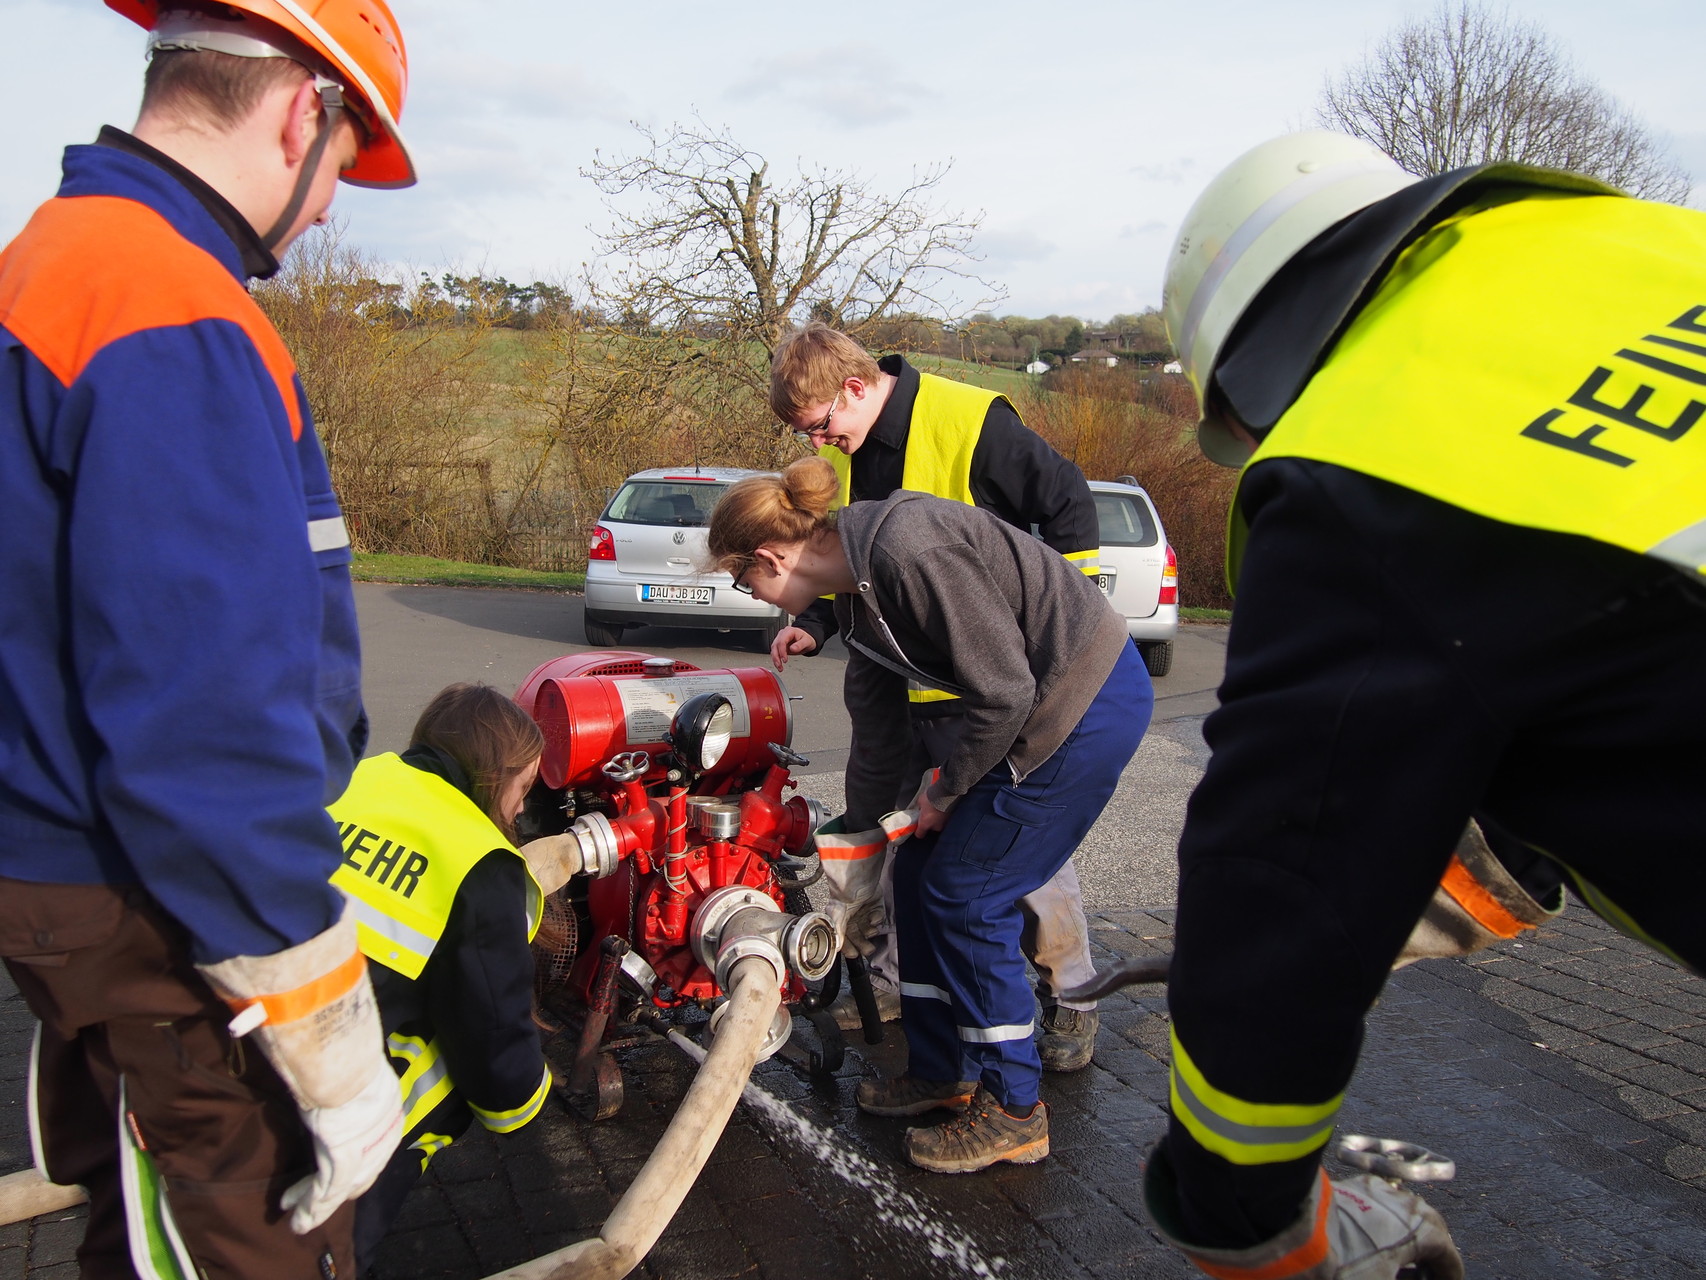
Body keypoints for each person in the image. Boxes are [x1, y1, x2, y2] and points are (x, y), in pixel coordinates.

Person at [1143, 130, 1706, 1279]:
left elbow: (1280, 874)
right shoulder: (1645, 244)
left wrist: (1237, 1207)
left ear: (1250, 377)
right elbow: (1620, 657)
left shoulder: (1362, 451)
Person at [0, 2, 416, 1274]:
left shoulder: (43, 261)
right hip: (154, 894)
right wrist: (328, 1041)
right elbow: (208, 730)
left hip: (52, 871)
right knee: (270, 1218)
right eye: (344, 163)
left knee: (133, 1207)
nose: (332, 204)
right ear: (304, 109)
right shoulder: (172, 311)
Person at [708, 458, 1153, 1172]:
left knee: (969, 894)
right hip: (1033, 704)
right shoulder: (857, 596)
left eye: (745, 582)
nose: (758, 598)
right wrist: (865, 833)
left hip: (1085, 702)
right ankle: (944, 1070)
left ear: (770, 556)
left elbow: (1004, 692)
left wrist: (943, 795)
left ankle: (1014, 1109)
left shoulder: (906, 550)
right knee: (913, 866)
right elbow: (880, 731)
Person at [769, 322, 1109, 1072]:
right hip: (891, 677)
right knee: (892, 831)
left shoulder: (972, 421)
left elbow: (1068, 502)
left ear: (854, 388)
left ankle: (1071, 998)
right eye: (808, 435)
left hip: (982, 683)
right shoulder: (848, 451)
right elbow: (846, 554)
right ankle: (897, 983)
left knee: (1013, 848)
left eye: (822, 426)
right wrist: (814, 623)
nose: (821, 445)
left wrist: (1058, 626)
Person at [327, 684, 555, 1272]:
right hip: (338, 1121)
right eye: (523, 788)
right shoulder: (478, 864)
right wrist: (524, 1097)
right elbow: (490, 1022)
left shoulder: (362, 777)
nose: (522, 810)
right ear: (496, 775)